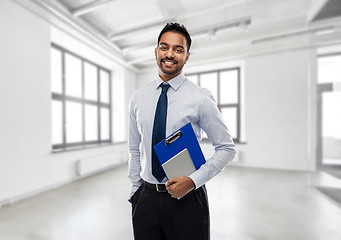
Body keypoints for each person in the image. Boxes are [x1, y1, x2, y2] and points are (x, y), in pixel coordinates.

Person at [128, 22, 236, 240]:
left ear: (187, 56)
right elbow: (134, 147)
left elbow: (226, 148)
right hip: (146, 199)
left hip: (187, 199)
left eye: (178, 49)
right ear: (156, 51)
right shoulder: (138, 98)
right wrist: (135, 192)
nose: (170, 54)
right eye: (164, 47)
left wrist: (194, 181)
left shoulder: (200, 98)